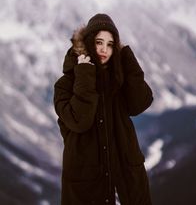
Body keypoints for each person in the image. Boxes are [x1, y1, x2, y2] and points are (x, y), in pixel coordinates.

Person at [54, 13, 153, 205]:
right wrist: (84, 74)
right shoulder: (65, 85)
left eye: (110, 44)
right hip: (86, 187)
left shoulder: (118, 80)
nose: (104, 49)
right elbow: (79, 121)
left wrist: (125, 56)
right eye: (99, 42)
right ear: (89, 42)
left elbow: (141, 102)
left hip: (126, 182)